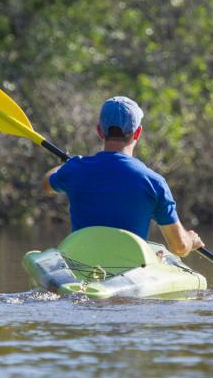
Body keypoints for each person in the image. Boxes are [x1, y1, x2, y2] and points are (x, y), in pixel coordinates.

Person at [44, 96, 203, 257]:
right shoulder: (154, 182)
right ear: (138, 133)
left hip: (81, 264)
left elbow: (47, 185)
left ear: (99, 131)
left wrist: (67, 165)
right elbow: (179, 248)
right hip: (131, 269)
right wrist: (190, 239)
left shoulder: (74, 169)